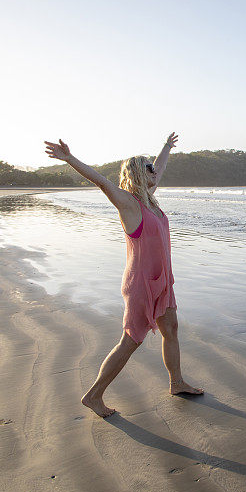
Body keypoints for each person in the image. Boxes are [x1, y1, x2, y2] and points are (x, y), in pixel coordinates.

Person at [44, 132, 203, 419]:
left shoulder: (150, 201)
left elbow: (161, 167)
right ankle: (93, 396)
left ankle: (176, 382)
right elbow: (102, 182)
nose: (156, 172)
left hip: (162, 280)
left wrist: (166, 147)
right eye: (150, 169)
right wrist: (69, 159)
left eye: (154, 169)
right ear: (137, 174)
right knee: (131, 340)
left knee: (171, 329)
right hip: (141, 284)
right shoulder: (129, 204)